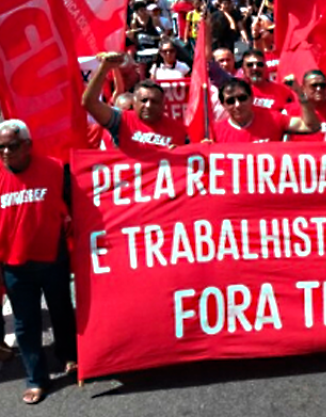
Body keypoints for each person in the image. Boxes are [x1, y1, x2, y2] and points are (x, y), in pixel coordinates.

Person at [0, 119, 77, 404]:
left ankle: (69, 355)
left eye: (12, 146)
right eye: (0, 148)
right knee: (25, 323)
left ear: (28, 145)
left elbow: (76, 205)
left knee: (62, 311)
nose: (5, 152)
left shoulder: (55, 169)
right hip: (14, 266)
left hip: (53, 258)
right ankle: (36, 379)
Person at [82, 53, 188, 153]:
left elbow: (190, 155)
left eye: (154, 101)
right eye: (144, 100)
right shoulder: (121, 121)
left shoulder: (178, 129)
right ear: (134, 102)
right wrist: (104, 67)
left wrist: (180, 153)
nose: (148, 106)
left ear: (163, 104)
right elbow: (89, 102)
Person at [213, 78, 319, 143]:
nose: (238, 105)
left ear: (252, 98)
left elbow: (310, 126)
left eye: (242, 98)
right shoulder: (215, 132)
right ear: (223, 105)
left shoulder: (272, 119)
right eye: (230, 101)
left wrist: (301, 94)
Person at [286, 70, 326, 141]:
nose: (319, 89)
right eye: (314, 85)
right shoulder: (289, 111)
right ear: (303, 88)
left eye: (323, 85)